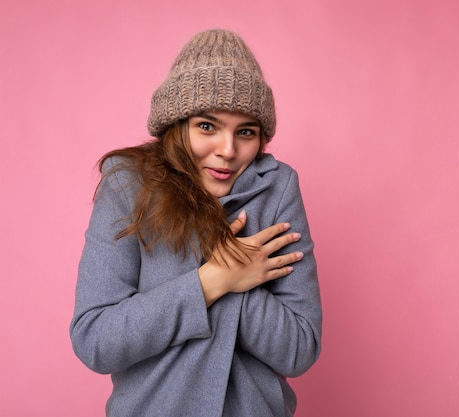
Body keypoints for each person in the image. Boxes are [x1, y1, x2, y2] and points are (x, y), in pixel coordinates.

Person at [70, 29, 322, 417]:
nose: (227, 150)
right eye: (207, 126)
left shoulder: (277, 187)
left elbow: (300, 349)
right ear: (178, 124)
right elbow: (96, 340)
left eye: (246, 132)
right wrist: (213, 280)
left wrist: (241, 285)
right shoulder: (128, 184)